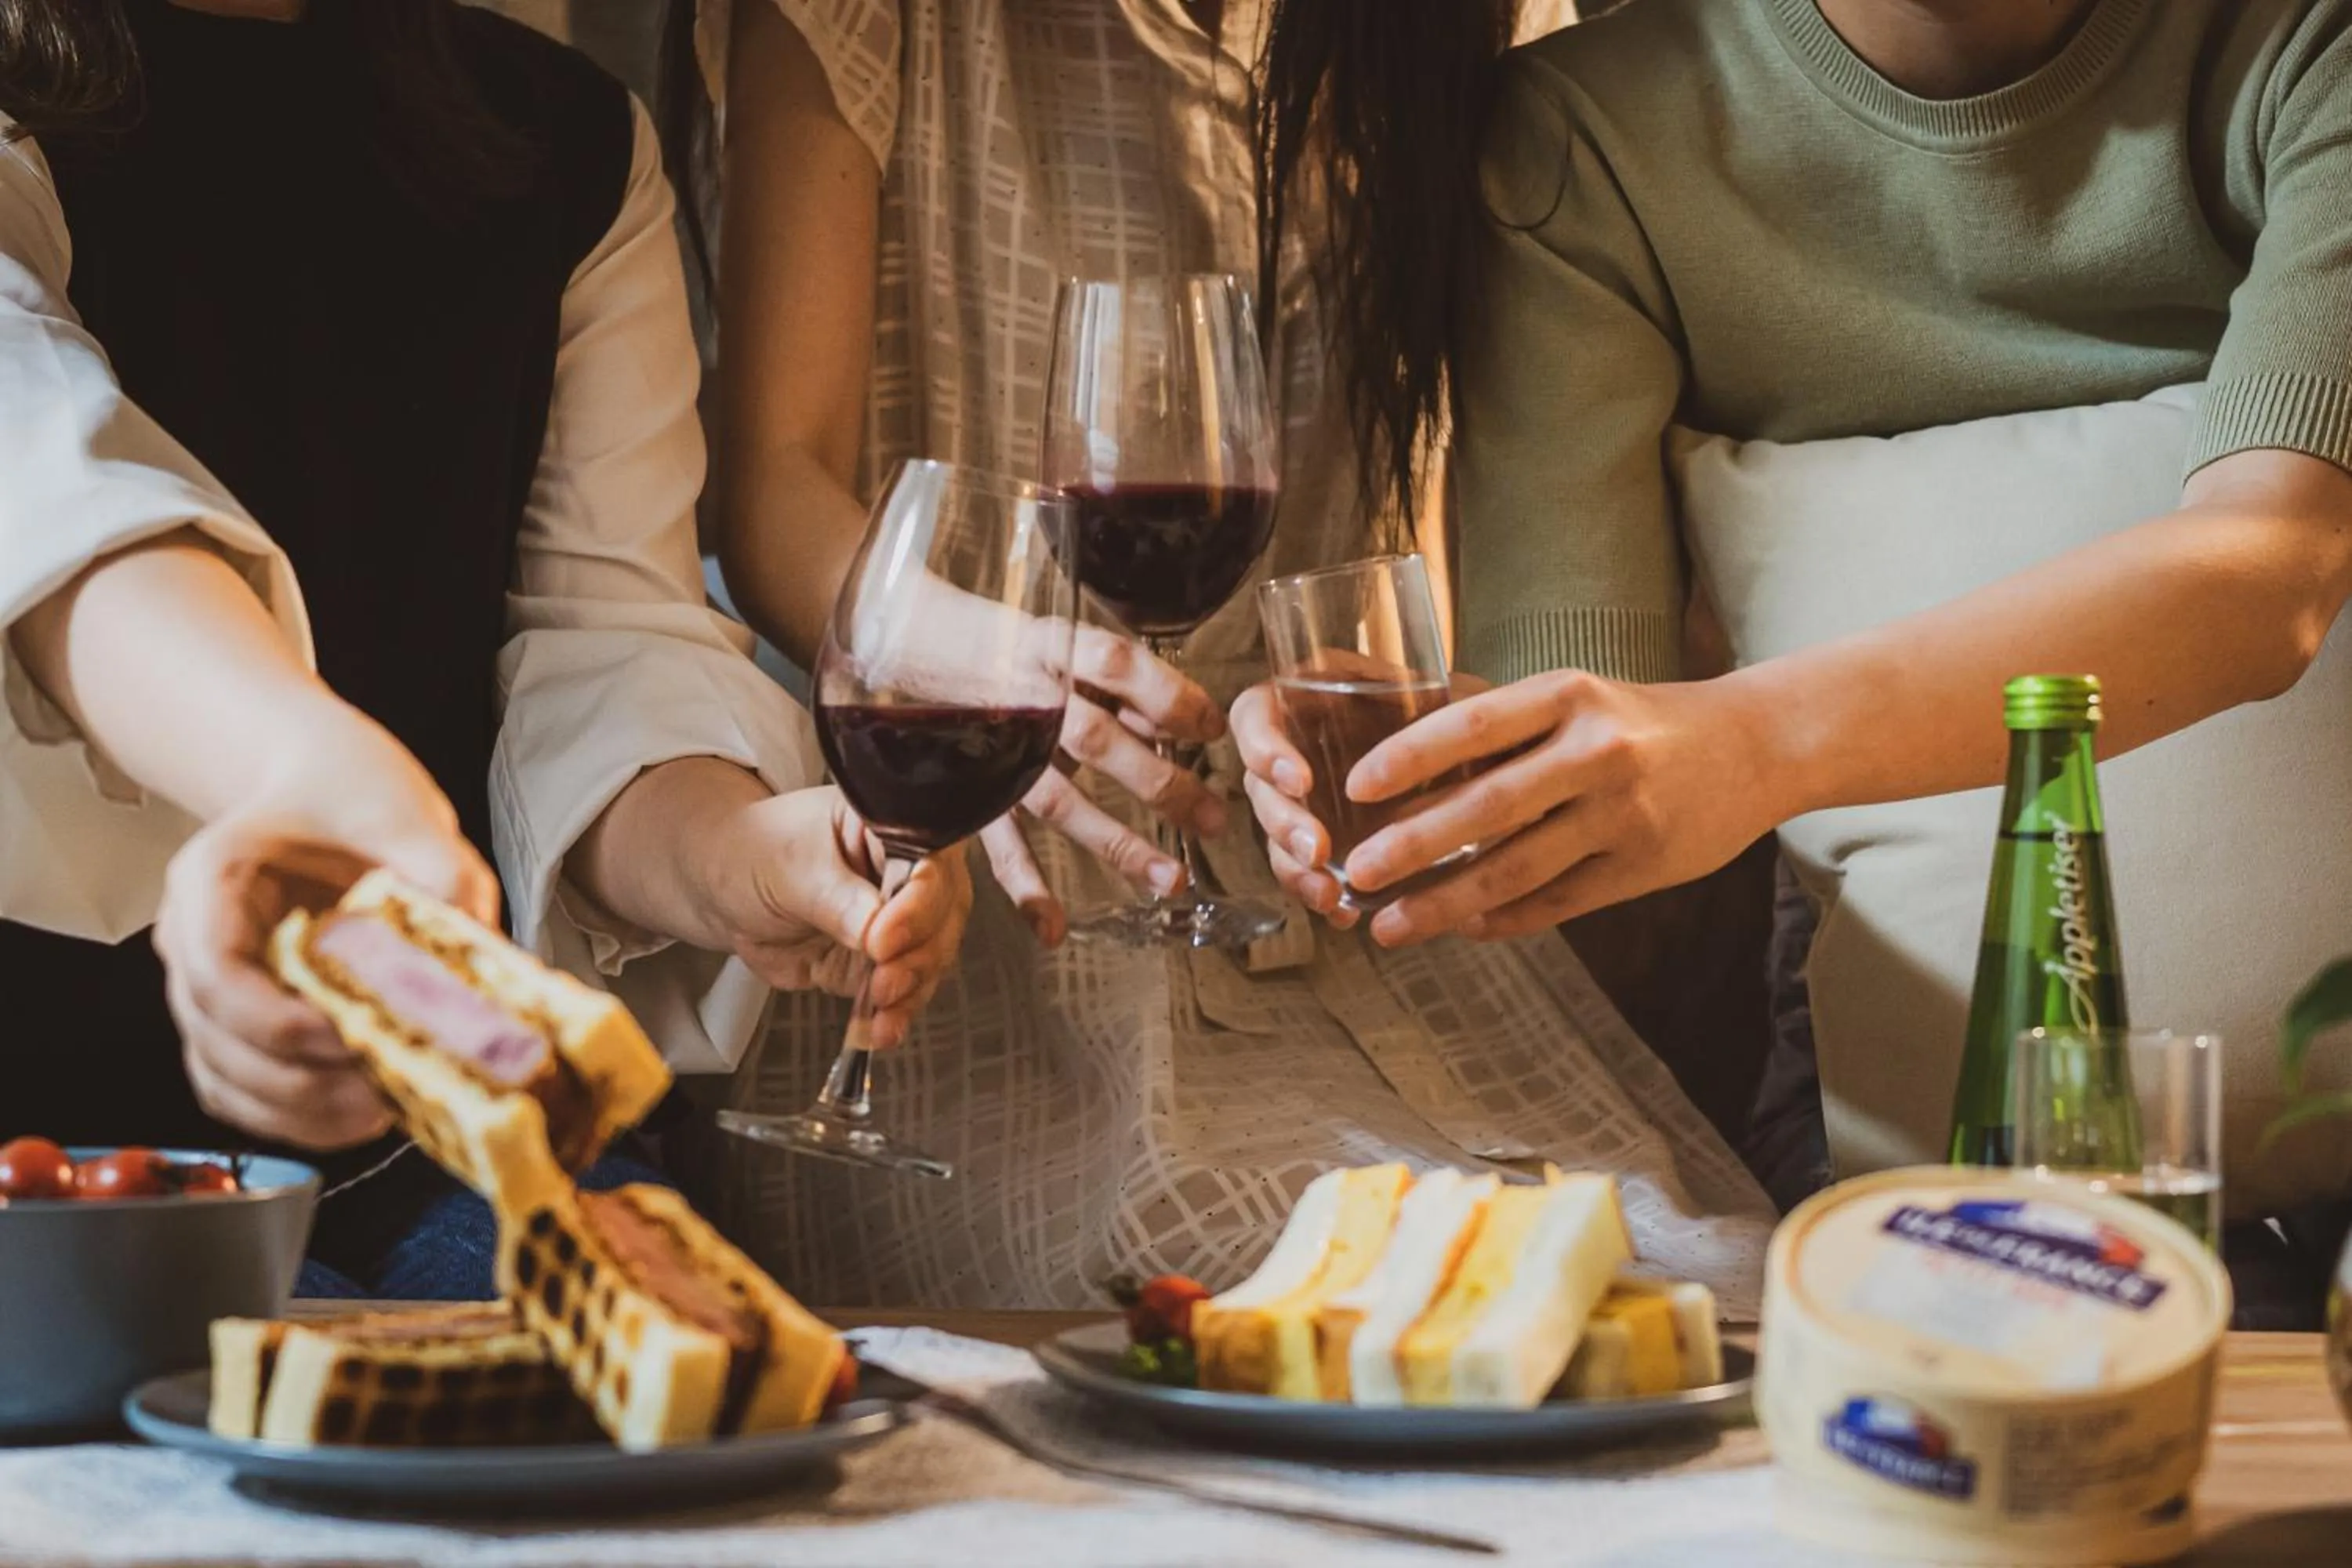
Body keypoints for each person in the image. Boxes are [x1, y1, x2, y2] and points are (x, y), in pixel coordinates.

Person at [1231, 0, 2352, 1312]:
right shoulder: (1582, 142)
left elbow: (2269, 574)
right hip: (1909, 1189)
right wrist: (1430, 761)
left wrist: (1753, 745)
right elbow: (1597, 723)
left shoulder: (2304, 43)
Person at [677, 0, 1776, 1314]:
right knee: (1246, 1296)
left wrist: (1416, 724)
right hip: (971, 877)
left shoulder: (1483, 28)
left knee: (1703, 1291)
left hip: (1334, 887)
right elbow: (771, 494)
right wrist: (988, 665)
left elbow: (1433, 535)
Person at [0, 0, 969, 1297]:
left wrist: (742, 852)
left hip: (420, 1143)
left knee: (689, 1415)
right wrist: (315, 782)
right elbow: (49, 493)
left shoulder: (562, 143)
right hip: (39, 1153)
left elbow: (602, 654)